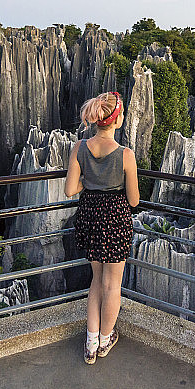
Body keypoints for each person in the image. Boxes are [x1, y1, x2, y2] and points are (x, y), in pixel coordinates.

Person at [64, 91, 140, 365]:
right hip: (116, 220)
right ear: (116, 119)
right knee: (113, 286)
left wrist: (91, 183)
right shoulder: (125, 155)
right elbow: (133, 200)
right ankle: (106, 339)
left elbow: (71, 188)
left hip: (90, 216)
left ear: (97, 119)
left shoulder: (80, 147)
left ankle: (90, 343)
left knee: (96, 281)